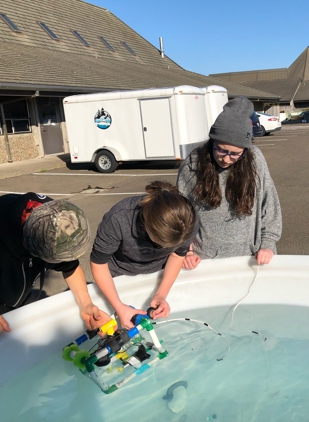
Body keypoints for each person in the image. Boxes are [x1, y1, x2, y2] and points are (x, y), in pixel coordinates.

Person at [177, 96, 282, 270]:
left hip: (251, 257)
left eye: (235, 154)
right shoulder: (192, 164)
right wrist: (186, 250)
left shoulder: (255, 159)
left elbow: (269, 204)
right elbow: (181, 212)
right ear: (212, 141)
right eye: (221, 150)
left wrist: (268, 243)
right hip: (203, 261)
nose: (226, 159)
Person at [90, 181, 198, 329]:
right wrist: (119, 306)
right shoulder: (119, 218)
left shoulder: (187, 221)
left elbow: (176, 255)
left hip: (158, 272)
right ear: (146, 225)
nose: (165, 249)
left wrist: (161, 294)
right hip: (118, 275)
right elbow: (98, 263)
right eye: (162, 244)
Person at [0, 193, 110, 334]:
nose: (62, 263)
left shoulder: (58, 216)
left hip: (21, 297)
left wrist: (86, 304)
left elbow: (70, 267)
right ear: (31, 247)